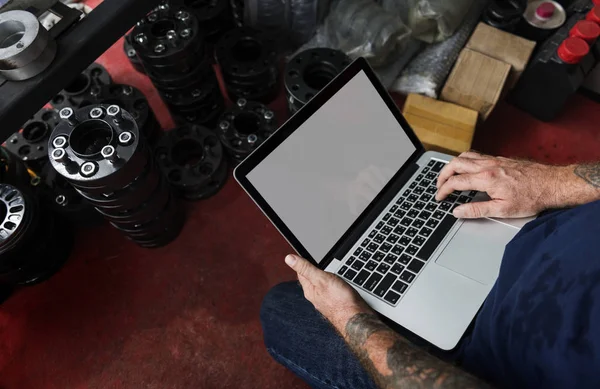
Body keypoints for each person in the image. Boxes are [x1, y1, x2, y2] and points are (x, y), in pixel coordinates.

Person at [260, 151, 600, 389]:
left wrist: (347, 315)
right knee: (450, 174)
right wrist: (551, 183)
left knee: (282, 308)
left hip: (480, 353)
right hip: (537, 230)